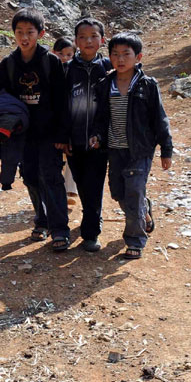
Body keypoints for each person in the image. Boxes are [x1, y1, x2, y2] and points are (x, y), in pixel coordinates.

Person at [90, 32, 172, 259]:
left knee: (134, 191)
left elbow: (160, 118)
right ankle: (144, 210)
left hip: (140, 150)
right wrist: (97, 135)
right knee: (118, 193)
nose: (120, 59)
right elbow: (100, 117)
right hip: (115, 149)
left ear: (138, 57)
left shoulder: (147, 85)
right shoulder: (105, 85)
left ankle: (135, 240)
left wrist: (166, 150)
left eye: (126, 54)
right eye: (115, 54)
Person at [0, 8, 70, 251]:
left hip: (48, 133)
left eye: (30, 32)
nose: (24, 37)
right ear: (13, 34)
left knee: (51, 177)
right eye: (19, 32)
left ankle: (60, 229)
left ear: (41, 33)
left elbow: (62, 101)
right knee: (30, 178)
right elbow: (2, 99)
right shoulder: (8, 65)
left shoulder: (51, 62)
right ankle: (42, 220)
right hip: (22, 135)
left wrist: (62, 134)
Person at [63, 18, 112, 252]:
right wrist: (64, 137)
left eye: (93, 36)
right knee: (82, 184)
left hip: (99, 142)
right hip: (74, 141)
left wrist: (101, 134)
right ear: (76, 41)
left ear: (102, 39)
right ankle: (92, 216)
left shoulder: (109, 69)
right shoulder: (67, 70)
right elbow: (60, 107)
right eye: (83, 37)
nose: (88, 41)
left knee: (94, 184)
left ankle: (91, 231)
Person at [52, 37, 79, 206]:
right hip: (53, 123)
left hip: (72, 122)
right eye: (61, 54)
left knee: (71, 155)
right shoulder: (48, 70)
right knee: (55, 157)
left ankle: (69, 190)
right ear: (54, 53)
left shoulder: (77, 71)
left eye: (69, 54)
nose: (65, 58)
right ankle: (58, 190)